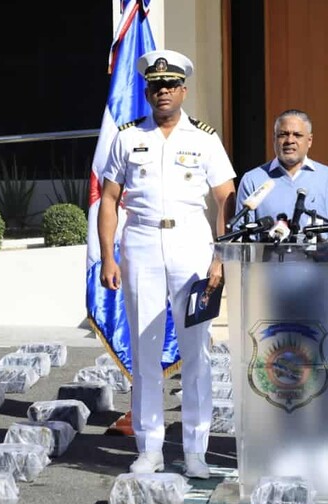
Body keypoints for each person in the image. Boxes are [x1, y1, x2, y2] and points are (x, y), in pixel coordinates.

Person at [97, 49, 236, 479]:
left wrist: (220, 256)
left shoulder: (204, 138)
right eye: (156, 86)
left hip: (192, 245)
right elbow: (108, 200)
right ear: (147, 90)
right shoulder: (126, 137)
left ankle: (196, 450)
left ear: (183, 91)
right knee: (145, 351)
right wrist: (107, 256)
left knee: (196, 352)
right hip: (139, 243)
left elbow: (225, 198)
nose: (163, 92)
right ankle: (149, 447)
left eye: (170, 85)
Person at [235, 109, 328, 235]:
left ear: (309, 140)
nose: (290, 140)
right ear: (274, 139)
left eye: (297, 135)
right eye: (283, 134)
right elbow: (239, 237)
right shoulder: (253, 180)